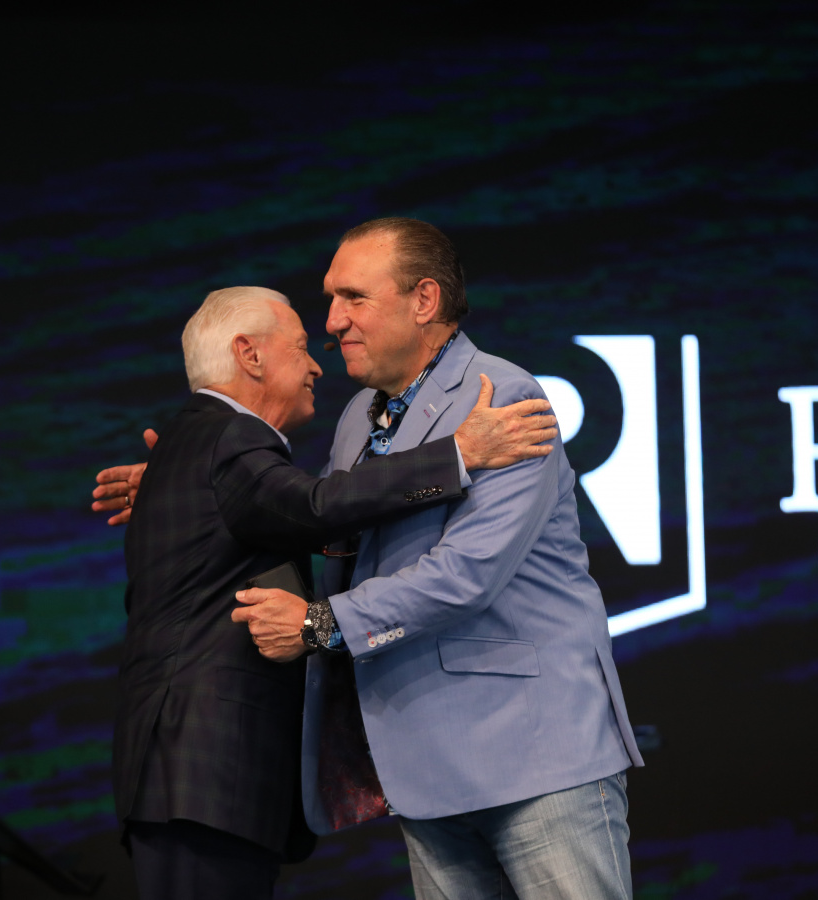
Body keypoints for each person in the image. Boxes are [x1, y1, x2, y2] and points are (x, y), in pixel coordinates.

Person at [94, 285, 556, 900]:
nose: (317, 365)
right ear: (250, 355)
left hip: (192, 778)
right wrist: (456, 455)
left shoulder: (200, 444)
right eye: (301, 347)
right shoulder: (227, 436)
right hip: (202, 772)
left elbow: (277, 517)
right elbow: (314, 507)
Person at [231, 219, 645, 900]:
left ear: (424, 300)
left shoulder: (502, 397)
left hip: (533, 756)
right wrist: (189, 489)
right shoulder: (359, 417)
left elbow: (465, 576)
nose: (332, 321)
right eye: (331, 299)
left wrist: (317, 624)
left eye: (354, 298)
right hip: (422, 765)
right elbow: (324, 524)